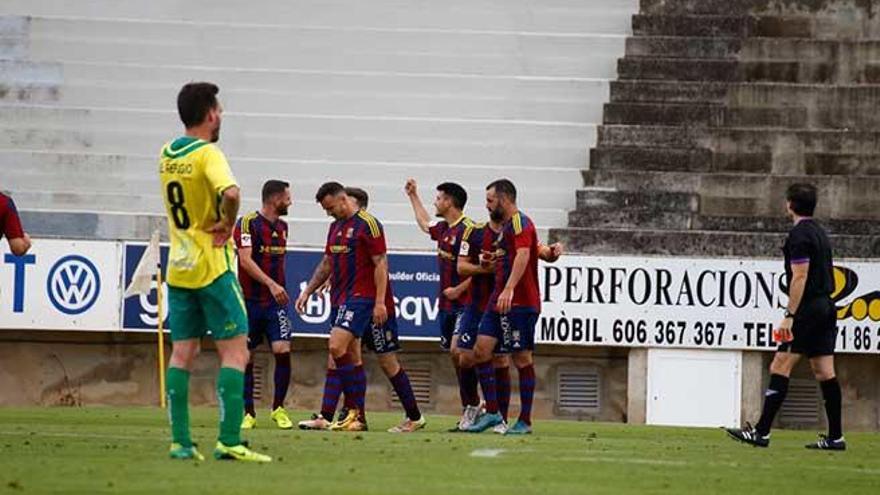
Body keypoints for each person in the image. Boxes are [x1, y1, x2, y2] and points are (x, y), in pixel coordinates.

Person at [160, 82, 270, 462]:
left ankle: (180, 443)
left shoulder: (167, 154)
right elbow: (233, 193)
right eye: (219, 110)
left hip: (178, 266)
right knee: (236, 353)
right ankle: (229, 440)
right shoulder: (209, 154)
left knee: (182, 353)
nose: (221, 115)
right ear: (209, 114)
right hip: (212, 266)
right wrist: (226, 223)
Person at [726, 183, 845, 450]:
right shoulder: (820, 233)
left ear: (789, 204)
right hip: (827, 306)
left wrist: (790, 315)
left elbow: (800, 276)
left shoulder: (799, 235)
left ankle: (761, 432)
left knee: (780, 364)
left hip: (809, 309)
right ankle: (836, 437)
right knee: (824, 371)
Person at [297, 186, 425, 433]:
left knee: (377, 359)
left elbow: (381, 264)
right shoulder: (335, 227)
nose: (328, 214)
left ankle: (412, 416)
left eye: (330, 208)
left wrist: (379, 302)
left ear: (343, 200)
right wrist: (308, 291)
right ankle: (347, 417)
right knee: (343, 355)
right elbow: (327, 263)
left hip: (367, 301)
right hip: (342, 300)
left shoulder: (369, 224)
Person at [466, 179, 558, 435]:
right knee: (481, 350)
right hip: (499, 301)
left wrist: (509, 288)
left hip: (520, 302)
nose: (487, 205)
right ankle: (494, 413)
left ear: (504, 199)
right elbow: (521, 252)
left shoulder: (520, 222)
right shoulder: (508, 227)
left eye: (490, 200)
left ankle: (525, 420)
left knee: (521, 358)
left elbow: (524, 255)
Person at [404, 179, 477, 430]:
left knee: (460, 352)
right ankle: (470, 406)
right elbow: (425, 224)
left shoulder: (470, 231)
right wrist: (413, 196)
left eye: (438, 198)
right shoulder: (444, 228)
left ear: (449, 202)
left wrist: (459, 289)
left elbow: (482, 270)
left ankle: (475, 405)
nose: (435, 202)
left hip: (466, 304)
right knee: (456, 358)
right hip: (446, 306)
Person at [234, 180, 294, 430]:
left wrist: (275, 288)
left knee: (282, 350)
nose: (290, 202)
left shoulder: (283, 226)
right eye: (287, 197)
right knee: (246, 356)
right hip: (249, 301)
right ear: (274, 199)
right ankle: (248, 413)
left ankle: (278, 408)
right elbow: (245, 261)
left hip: (275, 303)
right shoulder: (247, 223)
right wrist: (271, 283)